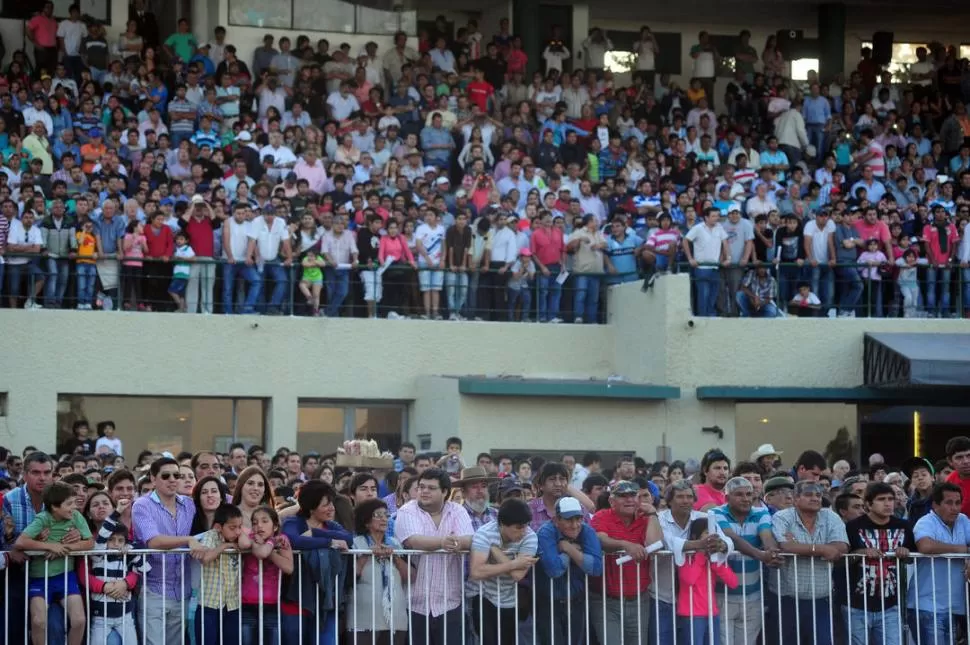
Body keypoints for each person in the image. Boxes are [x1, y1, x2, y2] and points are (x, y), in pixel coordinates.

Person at [394, 468, 473, 645]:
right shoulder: (408, 510)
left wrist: (458, 543)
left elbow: (469, 539)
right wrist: (443, 542)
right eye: (421, 487)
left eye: (431, 488)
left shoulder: (457, 511)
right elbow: (413, 541)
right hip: (414, 603)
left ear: (445, 492)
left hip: (450, 601)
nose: (424, 491)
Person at [768, 480, 849, 645]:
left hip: (821, 598)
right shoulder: (782, 516)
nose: (815, 498)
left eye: (818, 495)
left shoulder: (830, 516)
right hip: (786, 598)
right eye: (808, 494)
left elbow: (841, 547)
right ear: (796, 498)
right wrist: (822, 549)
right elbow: (786, 546)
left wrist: (801, 547)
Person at [14, 481, 93, 645]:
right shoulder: (43, 518)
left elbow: (89, 542)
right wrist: (50, 546)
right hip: (39, 578)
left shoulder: (76, 516)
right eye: (69, 503)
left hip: (65, 576)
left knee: (79, 620)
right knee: (38, 621)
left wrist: (64, 548)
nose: (74, 507)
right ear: (55, 507)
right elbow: (21, 542)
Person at [132, 457, 200, 645]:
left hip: (183, 592)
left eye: (176, 475)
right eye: (166, 475)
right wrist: (188, 540)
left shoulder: (189, 504)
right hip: (154, 590)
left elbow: (222, 501)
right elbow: (153, 541)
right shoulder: (142, 505)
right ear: (153, 479)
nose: (172, 479)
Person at [590, 480, 664, 645]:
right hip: (606, 601)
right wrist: (625, 545)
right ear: (611, 501)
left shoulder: (646, 518)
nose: (629, 500)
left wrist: (652, 514)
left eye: (633, 495)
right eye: (623, 496)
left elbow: (655, 546)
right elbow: (600, 539)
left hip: (639, 600)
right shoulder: (602, 516)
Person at [842, 482, 914, 645]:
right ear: (868, 504)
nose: (888, 503)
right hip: (856, 604)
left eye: (891, 499)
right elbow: (841, 559)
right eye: (881, 499)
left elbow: (912, 557)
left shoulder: (904, 526)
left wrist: (905, 552)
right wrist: (860, 553)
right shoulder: (853, 527)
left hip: (890, 605)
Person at [712, 477, 782, 645]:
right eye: (739, 494)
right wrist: (761, 555)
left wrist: (771, 551)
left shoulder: (761, 513)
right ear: (727, 498)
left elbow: (766, 536)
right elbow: (732, 538)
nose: (745, 498)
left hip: (753, 597)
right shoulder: (716, 513)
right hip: (723, 596)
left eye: (749, 494)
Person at [281, 480, 352, 644]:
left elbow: (348, 538)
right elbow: (294, 540)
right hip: (296, 600)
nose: (332, 508)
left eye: (332, 504)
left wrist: (313, 533)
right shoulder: (294, 522)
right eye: (326, 505)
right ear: (312, 507)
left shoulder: (331, 525)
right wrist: (328, 542)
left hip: (326, 602)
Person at [469, 498, 539, 645]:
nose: (523, 531)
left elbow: (517, 575)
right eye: (518, 527)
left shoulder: (530, 536)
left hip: (510, 599)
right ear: (501, 524)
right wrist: (515, 563)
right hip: (482, 596)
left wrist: (495, 551)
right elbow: (476, 571)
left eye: (526, 526)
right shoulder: (484, 533)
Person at [534, 496, 603, 645]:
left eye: (578, 519)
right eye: (569, 520)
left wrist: (568, 549)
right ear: (556, 519)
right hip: (549, 604)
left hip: (577, 601)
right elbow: (555, 570)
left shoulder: (586, 530)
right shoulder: (545, 532)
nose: (575, 525)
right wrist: (574, 554)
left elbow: (596, 569)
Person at [909, 482, 970, 645]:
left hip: (954, 606)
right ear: (936, 505)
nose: (955, 508)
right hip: (927, 605)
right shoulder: (925, 521)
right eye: (949, 503)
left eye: (958, 503)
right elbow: (925, 546)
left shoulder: (963, 520)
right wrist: (963, 549)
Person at [348, 499, 409, 643]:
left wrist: (394, 558)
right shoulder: (356, 543)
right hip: (363, 618)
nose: (384, 518)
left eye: (386, 515)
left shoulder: (395, 543)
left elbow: (410, 576)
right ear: (366, 521)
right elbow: (349, 577)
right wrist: (366, 555)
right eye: (377, 515)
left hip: (396, 618)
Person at [677, 516, 739, 645]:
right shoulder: (686, 556)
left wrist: (716, 564)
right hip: (692, 614)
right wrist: (701, 555)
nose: (712, 538)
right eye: (707, 533)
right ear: (695, 537)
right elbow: (689, 579)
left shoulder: (715, 558)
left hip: (712, 613)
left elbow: (733, 582)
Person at [240, 505, 294, 645]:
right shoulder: (250, 539)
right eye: (255, 522)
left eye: (265, 521)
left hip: (272, 605)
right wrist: (261, 543)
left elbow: (288, 567)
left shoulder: (281, 540)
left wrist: (270, 544)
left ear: (275, 526)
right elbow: (258, 552)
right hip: (247, 604)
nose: (259, 526)